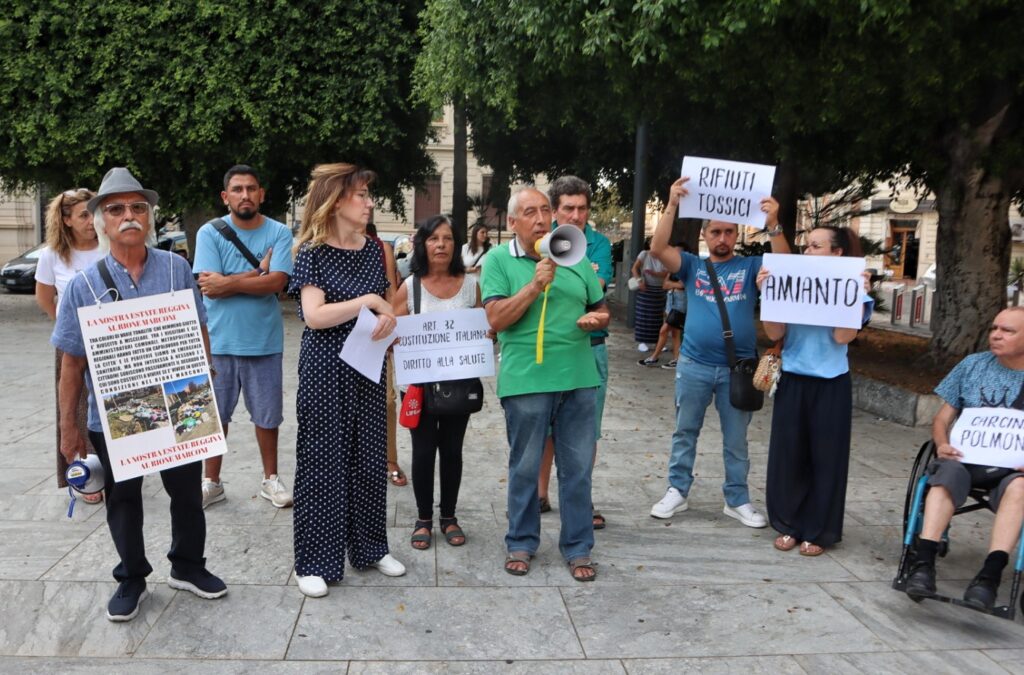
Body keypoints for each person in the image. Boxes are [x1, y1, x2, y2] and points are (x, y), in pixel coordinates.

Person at [52, 167, 227, 621]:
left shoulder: (176, 268)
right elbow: (71, 364)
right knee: (124, 498)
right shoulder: (82, 286)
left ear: (148, 217)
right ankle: (131, 575)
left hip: (178, 402)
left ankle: (188, 566)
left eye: (136, 208)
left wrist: (204, 389)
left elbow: (199, 330)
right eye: (115, 209)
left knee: (187, 493)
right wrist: (68, 429)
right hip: (116, 414)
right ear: (99, 222)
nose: (128, 216)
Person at [288, 163, 405, 598]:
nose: (370, 202)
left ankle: (371, 548)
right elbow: (315, 316)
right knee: (322, 462)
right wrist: (369, 301)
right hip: (325, 368)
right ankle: (314, 561)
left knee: (370, 457)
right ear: (337, 200)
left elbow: (389, 308)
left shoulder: (376, 249)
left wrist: (387, 319)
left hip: (368, 365)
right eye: (362, 195)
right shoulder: (312, 251)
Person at [481, 187, 609, 581]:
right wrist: (534, 285)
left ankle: (578, 547)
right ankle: (521, 541)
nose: (540, 219)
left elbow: (599, 306)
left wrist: (598, 320)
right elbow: (496, 319)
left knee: (577, 469)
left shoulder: (573, 253)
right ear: (512, 222)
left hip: (579, 378)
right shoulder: (498, 260)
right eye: (530, 212)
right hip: (527, 381)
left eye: (545, 210)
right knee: (524, 466)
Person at [648, 176, 790, 527]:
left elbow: (787, 265)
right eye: (715, 232)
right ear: (705, 236)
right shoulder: (694, 266)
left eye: (728, 232)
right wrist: (671, 205)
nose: (722, 238)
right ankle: (677, 490)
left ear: (737, 235)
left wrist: (773, 225)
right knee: (685, 431)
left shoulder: (750, 266)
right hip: (694, 365)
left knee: (737, 439)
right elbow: (657, 249)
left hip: (737, 369)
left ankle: (737, 498)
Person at [757, 227, 872, 555]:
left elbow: (842, 338)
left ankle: (818, 530)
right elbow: (774, 331)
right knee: (789, 455)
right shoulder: (789, 281)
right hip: (793, 378)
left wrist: (855, 295)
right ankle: (789, 523)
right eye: (806, 246)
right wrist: (768, 293)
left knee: (826, 458)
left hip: (831, 381)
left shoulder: (854, 286)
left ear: (837, 254)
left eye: (815, 246)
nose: (807, 252)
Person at [904, 307, 1024, 610]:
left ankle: (989, 577)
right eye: (994, 328)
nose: (996, 335)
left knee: (1021, 488)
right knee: (944, 475)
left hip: (1013, 469)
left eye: (1007, 331)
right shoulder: (972, 365)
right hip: (964, 458)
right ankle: (923, 563)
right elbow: (942, 420)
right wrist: (942, 443)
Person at [192, 165, 294, 509]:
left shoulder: (279, 232)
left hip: (264, 341)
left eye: (252, 188)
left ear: (262, 194)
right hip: (217, 342)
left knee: (268, 416)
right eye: (237, 189)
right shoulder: (209, 232)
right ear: (226, 197)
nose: (245, 195)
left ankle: (270, 479)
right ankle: (212, 482)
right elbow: (209, 287)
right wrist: (255, 274)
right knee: (214, 418)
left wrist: (230, 281)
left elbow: (277, 283)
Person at [393, 215, 481, 549]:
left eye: (447, 238)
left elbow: (484, 327)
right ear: (422, 244)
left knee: (453, 451)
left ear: (456, 244)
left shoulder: (471, 285)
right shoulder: (410, 286)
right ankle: (423, 518)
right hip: (418, 387)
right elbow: (393, 328)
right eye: (433, 239)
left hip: (459, 385)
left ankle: (449, 516)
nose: (441, 245)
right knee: (424, 450)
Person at [536, 176, 613, 529]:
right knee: (544, 428)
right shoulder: (538, 241)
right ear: (555, 210)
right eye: (568, 208)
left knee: (585, 431)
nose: (576, 215)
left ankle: (582, 498)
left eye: (582, 208)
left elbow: (593, 289)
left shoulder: (598, 244)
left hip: (589, 348)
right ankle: (540, 494)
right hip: (547, 349)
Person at [35, 187, 104, 504]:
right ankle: (83, 476)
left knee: (110, 407)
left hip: (110, 339)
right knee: (74, 410)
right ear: (66, 220)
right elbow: (45, 297)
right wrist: (66, 329)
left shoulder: (108, 247)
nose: (92, 220)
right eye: (84, 215)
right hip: (73, 344)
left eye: (93, 212)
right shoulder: (52, 254)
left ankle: (114, 468)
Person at [365, 222, 408, 488]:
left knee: (387, 400)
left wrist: (394, 323)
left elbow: (391, 290)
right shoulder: (324, 245)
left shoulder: (383, 248)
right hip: (341, 332)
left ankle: (389, 459)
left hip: (380, 327)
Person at [632, 237, 667, 353]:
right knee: (644, 316)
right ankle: (642, 342)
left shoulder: (665, 256)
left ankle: (658, 342)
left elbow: (667, 273)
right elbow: (634, 268)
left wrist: (654, 273)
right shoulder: (644, 254)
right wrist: (638, 281)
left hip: (659, 289)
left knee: (657, 317)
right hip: (645, 288)